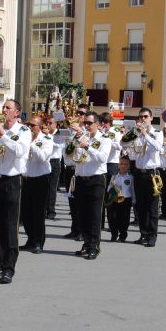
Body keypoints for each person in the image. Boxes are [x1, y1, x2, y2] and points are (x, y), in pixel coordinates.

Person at [0, 100, 31, 284]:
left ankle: (9, 268)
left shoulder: (23, 131)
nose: (3, 110)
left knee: (10, 226)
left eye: (8, 108)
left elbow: (19, 150)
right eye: (3, 107)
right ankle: (2, 264)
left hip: (12, 181)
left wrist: (3, 135)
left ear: (16, 113)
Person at [64, 111, 110, 259]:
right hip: (80, 179)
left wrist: (87, 146)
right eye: (85, 123)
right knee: (82, 214)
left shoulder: (104, 139)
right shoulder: (80, 137)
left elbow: (102, 158)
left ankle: (94, 246)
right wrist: (71, 143)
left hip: (96, 180)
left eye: (90, 123)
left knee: (94, 215)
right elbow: (68, 159)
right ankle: (86, 243)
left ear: (97, 124)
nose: (86, 126)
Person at [123, 107, 162, 247]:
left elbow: (158, 148)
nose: (143, 119)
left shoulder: (157, 133)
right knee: (141, 206)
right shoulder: (137, 135)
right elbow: (134, 156)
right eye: (140, 117)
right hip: (139, 172)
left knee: (152, 206)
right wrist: (127, 147)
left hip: (152, 173)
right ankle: (143, 234)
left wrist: (145, 134)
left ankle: (152, 235)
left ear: (151, 118)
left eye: (145, 117)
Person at [20, 115, 53, 254]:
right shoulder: (24, 138)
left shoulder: (46, 139)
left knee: (38, 213)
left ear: (40, 126)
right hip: (26, 178)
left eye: (33, 125)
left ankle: (39, 242)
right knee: (26, 212)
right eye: (28, 124)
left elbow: (43, 157)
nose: (30, 127)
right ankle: (30, 240)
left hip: (40, 179)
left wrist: (32, 145)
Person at [63, 103, 89, 240]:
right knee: (72, 202)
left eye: (81, 113)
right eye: (77, 113)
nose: (78, 116)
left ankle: (82, 231)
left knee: (81, 203)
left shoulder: (88, 131)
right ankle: (74, 229)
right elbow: (66, 150)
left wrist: (80, 131)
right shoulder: (71, 130)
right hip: (70, 168)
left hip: (81, 169)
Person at [100, 112, 122, 231]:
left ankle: (113, 224)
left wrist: (108, 139)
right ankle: (100, 223)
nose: (104, 125)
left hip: (112, 165)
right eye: (102, 122)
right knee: (101, 195)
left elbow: (119, 147)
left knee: (111, 195)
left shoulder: (116, 132)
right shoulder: (101, 133)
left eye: (106, 122)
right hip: (102, 164)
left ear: (110, 123)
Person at [106, 157, 134, 242]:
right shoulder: (114, 177)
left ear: (129, 166)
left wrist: (134, 200)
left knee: (124, 218)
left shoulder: (131, 177)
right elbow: (108, 189)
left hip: (126, 199)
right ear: (118, 165)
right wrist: (114, 188)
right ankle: (114, 234)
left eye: (126, 164)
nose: (123, 166)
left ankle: (123, 235)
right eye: (121, 164)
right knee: (112, 217)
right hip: (115, 200)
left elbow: (133, 189)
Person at [45, 116, 64, 220]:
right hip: (45, 161)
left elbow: (59, 146)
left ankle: (51, 211)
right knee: (44, 187)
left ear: (56, 124)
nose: (48, 125)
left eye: (50, 123)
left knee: (52, 188)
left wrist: (48, 137)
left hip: (55, 162)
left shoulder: (59, 134)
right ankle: (44, 209)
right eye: (47, 122)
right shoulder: (45, 133)